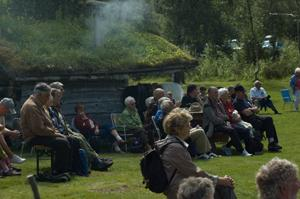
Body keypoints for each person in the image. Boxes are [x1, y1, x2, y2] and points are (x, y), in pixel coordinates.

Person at [158, 108, 236, 199]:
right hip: (180, 191)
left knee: (221, 186)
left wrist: (218, 180)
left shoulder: (169, 143)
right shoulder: (175, 148)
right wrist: (220, 180)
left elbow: (193, 171)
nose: (190, 128)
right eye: (187, 125)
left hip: (183, 187)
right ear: (177, 129)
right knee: (225, 187)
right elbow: (195, 172)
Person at [48, 86, 113, 171]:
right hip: (62, 133)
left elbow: (94, 123)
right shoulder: (51, 110)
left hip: (68, 130)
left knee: (81, 137)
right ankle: (95, 161)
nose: (60, 100)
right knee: (79, 138)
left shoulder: (56, 110)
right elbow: (56, 125)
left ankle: (96, 159)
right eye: (58, 97)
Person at [20, 83, 72, 174]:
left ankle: (70, 167)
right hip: (33, 137)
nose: (49, 98)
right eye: (47, 96)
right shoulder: (31, 106)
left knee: (71, 139)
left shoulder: (39, 104)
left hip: (42, 134)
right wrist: (55, 133)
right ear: (39, 95)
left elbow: (48, 124)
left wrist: (55, 132)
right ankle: (58, 171)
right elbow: (38, 129)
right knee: (62, 143)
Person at [203, 87, 251, 156]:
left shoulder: (218, 102)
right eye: (215, 93)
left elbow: (225, 115)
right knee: (231, 130)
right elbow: (214, 120)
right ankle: (241, 151)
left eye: (217, 92)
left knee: (244, 130)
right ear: (209, 94)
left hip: (221, 124)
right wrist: (223, 119)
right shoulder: (207, 105)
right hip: (211, 127)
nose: (217, 94)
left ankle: (230, 147)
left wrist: (222, 117)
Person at [233, 85, 282, 152]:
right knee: (269, 123)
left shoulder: (245, 100)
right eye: (243, 92)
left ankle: (272, 142)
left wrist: (251, 109)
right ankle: (272, 144)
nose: (244, 93)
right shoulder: (237, 102)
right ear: (237, 93)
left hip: (255, 119)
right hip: (249, 122)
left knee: (269, 119)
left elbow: (257, 109)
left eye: (244, 91)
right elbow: (247, 113)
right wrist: (253, 109)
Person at [0, 98, 25, 164]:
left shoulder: (2, 115)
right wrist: (11, 133)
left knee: (2, 135)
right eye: (7, 110)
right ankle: (11, 156)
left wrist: (12, 133)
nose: (8, 112)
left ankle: (8, 158)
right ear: (2, 106)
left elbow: (2, 128)